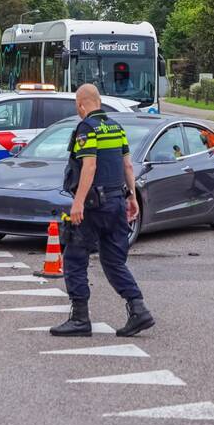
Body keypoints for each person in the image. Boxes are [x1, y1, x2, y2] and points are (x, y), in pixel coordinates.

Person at [50, 84, 154, 338]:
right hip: (117, 202)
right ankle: (138, 309)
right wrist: (132, 197)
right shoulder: (116, 127)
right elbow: (128, 165)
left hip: (94, 205)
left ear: (82, 105)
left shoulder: (86, 128)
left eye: (77, 105)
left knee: (74, 257)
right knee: (113, 261)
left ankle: (80, 319)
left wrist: (78, 202)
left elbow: (89, 165)